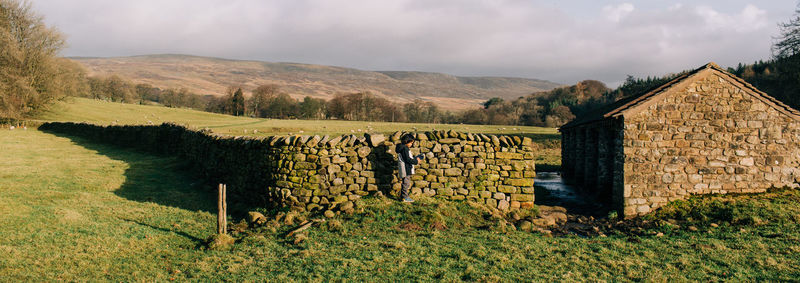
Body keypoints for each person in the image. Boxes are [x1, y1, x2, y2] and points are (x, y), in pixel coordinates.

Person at [396, 133, 422, 203]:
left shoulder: (401, 148)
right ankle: (405, 197)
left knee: (405, 182)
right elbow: (407, 159)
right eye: (411, 142)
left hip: (405, 167)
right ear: (406, 141)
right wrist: (416, 161)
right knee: (406, 183)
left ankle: (403, 196)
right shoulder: (405, 149)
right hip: (406, 168)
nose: (411, 144)